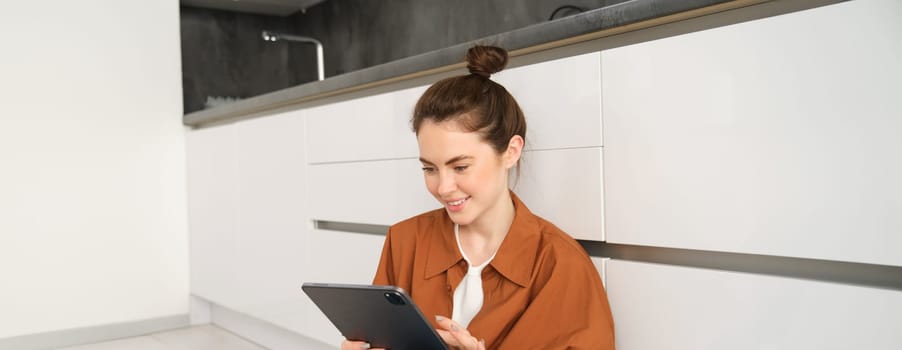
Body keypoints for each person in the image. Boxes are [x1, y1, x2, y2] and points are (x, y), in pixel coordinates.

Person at [341, 45, 615, 350]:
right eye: (430, 168)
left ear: (511, 151)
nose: (443, 187)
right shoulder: (404, 242)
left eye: (460, 166)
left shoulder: (560, 267)